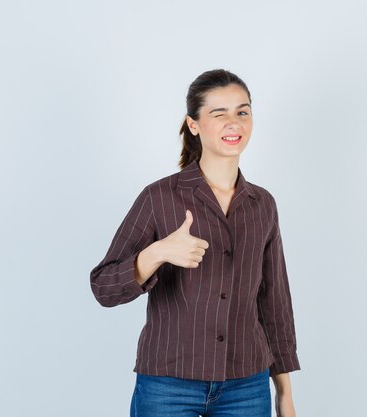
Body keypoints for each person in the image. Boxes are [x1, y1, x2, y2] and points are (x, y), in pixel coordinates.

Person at [89, 69, 300, 417]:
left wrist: (284, 392)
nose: (234, 123)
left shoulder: (263, 204)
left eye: (242, 112)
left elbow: (274, 302)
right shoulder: (159, 198)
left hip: (247, 384)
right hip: (167, 384)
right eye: (219, 113)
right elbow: (103, 288)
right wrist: (156, 253)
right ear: (194, 124)